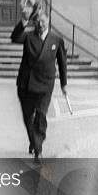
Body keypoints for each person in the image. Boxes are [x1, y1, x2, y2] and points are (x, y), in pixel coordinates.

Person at [11, 9, 67, 161]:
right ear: (34, 23)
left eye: (43, 21)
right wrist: (23, 20)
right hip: (26, 84)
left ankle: (38, 149)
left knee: (41, 116)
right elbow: (15, 37)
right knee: (28, 117)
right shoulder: (28, 36)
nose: (40, 24)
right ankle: (34, 141)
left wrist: (64, 84)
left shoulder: (56, 39)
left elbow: (62, 63)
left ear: (48, 20)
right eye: (37, 21)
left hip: (45, 84)